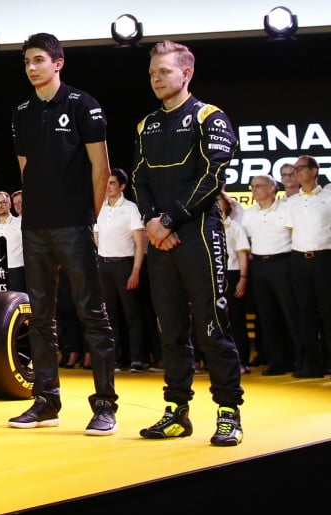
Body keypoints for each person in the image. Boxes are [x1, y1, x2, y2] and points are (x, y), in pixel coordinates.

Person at [131, 40, 244, 446]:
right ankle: (176, 411)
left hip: (198, 234)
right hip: (161, 239)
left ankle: (229, 411)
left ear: (186, 73)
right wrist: (151, 221)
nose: (156, 79)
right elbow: (140, 179)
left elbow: (213, 176)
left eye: (163, 71)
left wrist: (170, 219)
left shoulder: (209, 117)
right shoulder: (147, 124)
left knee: (212, 327)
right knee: (171, 332)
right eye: (152, 73)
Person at [8, 32, 118, 436]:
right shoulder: (21, 111)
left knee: (92, 315)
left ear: (58, 63)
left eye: (39, 60)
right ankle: (46, 401)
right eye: (26, 61)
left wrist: (89, 217)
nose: (32, 67)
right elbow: (25, 169)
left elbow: (100, 168)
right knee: (40, 318)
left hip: (74, 224)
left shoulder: (82, 104)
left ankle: (105, 405)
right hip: (35, 227)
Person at [242, 174, 299, 375]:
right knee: (266, 315)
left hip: (283, 263)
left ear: (272, 188)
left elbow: (295, 234)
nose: (254, 190)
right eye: (252, 187)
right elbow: (246, 241)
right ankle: (276, 361)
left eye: (258, 186)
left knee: (290, 313)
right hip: (259, 265)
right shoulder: (248, 214)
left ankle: (298, 359)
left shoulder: (286, 209)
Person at [94, 168, 148, 372]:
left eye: (112, 183)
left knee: (132, 314)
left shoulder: (131, 208)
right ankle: (115, 358)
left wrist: (135, 271)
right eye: (106, 183)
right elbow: (96, 236)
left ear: (122, 186)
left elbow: (140, 243)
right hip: (104, 265)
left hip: (125, 265)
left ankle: (137, 359)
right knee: (110, 315)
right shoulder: (100, 207)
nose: (108, 187)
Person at [286, 155, 331, 377]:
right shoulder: (292, 201)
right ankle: (311, 365)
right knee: (304, 313)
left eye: (300, 168)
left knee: (328, 312)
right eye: (294, 169)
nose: (296, 172)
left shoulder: (329, 195)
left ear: (314, 171)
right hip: (298, 260)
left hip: (325, 259)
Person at [217, 194, 251, 374]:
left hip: (233, 274)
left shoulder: (236, 228)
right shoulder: (208, 228)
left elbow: (242, 254)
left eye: (219, 202)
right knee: (217, 321)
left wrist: (243, 278)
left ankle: (242, 361)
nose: (216, 205)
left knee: (236, 321)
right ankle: (221, 362)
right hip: (215, 277)